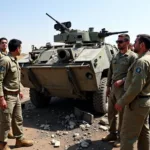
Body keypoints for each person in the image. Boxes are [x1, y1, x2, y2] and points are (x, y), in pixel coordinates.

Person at [115, 34, 150, 150]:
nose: (133, 44)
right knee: (143, 132)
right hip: (144, 103)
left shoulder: (142, 62)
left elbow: (135, 87)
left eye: (135, 42)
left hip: (136, 103)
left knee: (127, 136)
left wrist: (121, 101)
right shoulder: (147, 59)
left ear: (142, 45)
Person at [102, 34, 137, 147]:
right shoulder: (115, 56)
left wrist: (122, 80)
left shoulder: (132, 57)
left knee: (122, 114)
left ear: (127, 42)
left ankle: (121, 138)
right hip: (113, 89)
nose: (118, 44)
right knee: (111, 112)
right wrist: (107, 87)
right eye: (117, 42)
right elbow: (110, 72)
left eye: (120, 42)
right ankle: (112, 133)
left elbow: (134, 75)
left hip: (123, 89)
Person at [0, 39, 33, 150]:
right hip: (7, 96)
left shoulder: (14, 60)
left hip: (15, 95)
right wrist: (1, 98)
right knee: (5, 121)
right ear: (17, 48)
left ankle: (19, 140)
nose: (21, 49)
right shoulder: (5, 60)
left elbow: (14, 79)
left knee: (18, 118)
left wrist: (19, 91)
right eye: (20, 47)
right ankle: (2, 145)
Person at [0, 37, 14, 139]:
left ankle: (8, 131)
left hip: (7, 87)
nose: (4, 44)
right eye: (2, 43)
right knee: (3, 114)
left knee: (8, 113)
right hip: (1, 87)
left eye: (6, 43)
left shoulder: (8, 55)